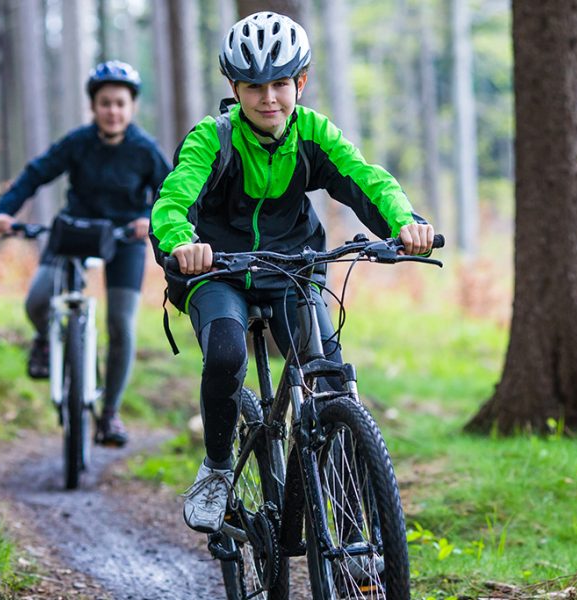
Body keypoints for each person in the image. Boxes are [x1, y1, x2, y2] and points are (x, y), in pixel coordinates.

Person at [150, 12, 434, 533]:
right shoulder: (212, 138)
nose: (268, 98)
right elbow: (173, 202)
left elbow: (366, 179)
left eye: (280, 83)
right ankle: (216, 469)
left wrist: (406, 222)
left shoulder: (313, 133)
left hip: (292, 267)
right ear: (234, 88)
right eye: (253, 86)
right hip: (219, 270)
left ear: (299, 83)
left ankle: (352, 531)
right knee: (228, 353)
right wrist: (182, 244)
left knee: (329, 385)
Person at [0, 60, 172, 447]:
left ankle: (110, 415)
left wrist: (147, 218)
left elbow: (171, 193)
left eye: (120, 103)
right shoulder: (78, 143)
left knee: (120, 326)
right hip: (74, 232)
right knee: (38, 302)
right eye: (105, 103)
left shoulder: (144, 150)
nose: (113, 111)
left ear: (132, 107)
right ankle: (44, 339)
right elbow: (36, 173)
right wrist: (4, 210)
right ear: (93, 106)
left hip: (124, 239)